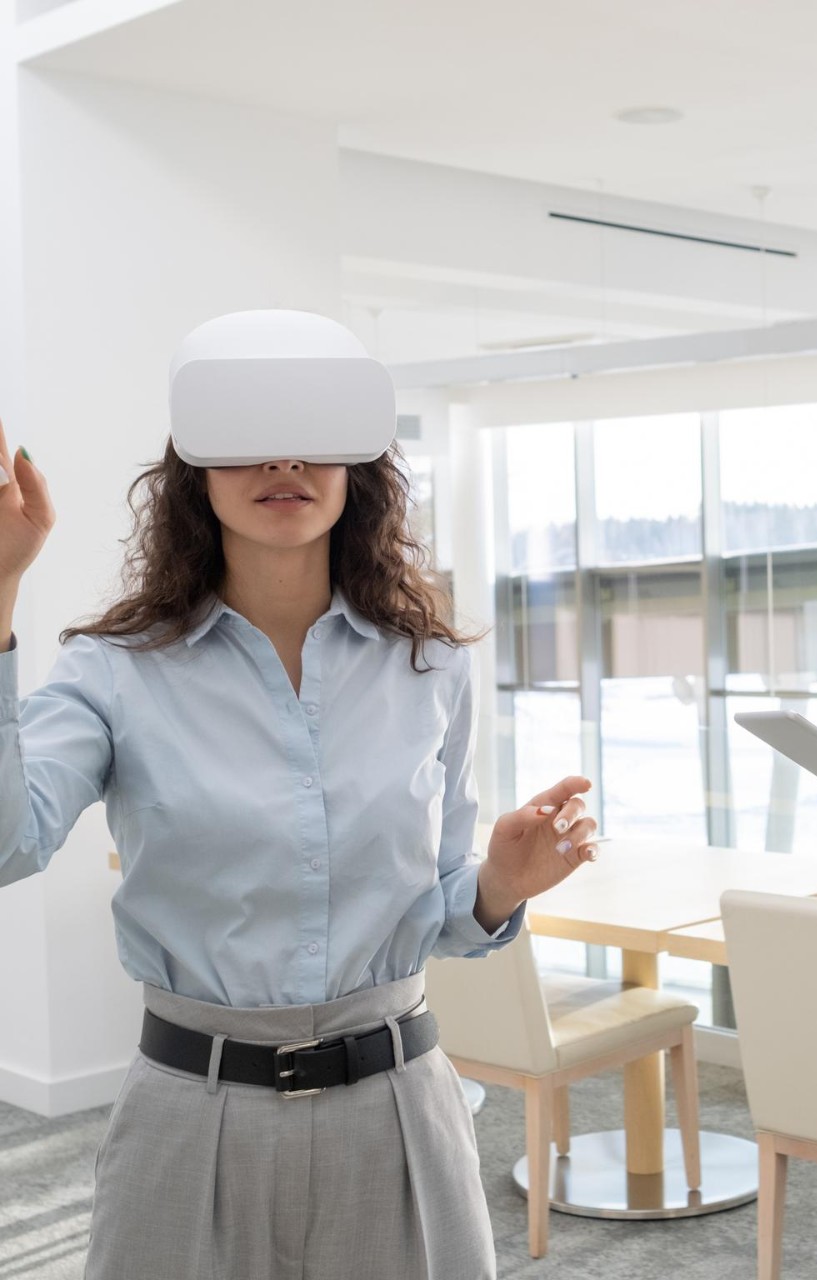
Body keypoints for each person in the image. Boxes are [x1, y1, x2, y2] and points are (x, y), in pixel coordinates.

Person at [0, 397, 596, 1277]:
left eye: (312, 440)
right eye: (246, 440)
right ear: (194, 476)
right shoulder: (114, 670)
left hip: (399, 1110)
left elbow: (439, 911)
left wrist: (501, 884)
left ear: (357, 470)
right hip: (187, 1116)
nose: (283, 462)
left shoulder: (431, 665)